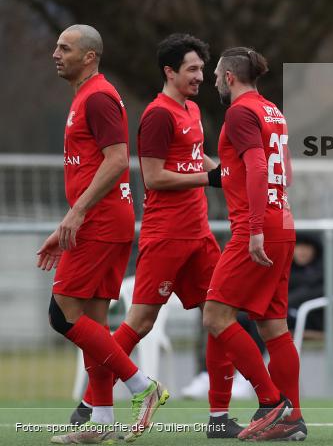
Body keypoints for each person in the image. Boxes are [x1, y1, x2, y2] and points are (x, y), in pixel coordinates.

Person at [68, 34, 243, 438]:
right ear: (169, 71)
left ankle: (219, 418)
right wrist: (211, 178)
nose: (200, 76)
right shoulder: (157, 115)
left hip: (198, 235)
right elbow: (154, 176)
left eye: (202, 68)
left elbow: (197, 154)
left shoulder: (193, 109)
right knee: (140, 322)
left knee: (219, 316)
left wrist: (230, 173)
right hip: (166, 236)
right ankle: (93, 403)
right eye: (192, 69)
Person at [37, 24, 167, 444]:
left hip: (101, 223)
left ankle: (142, 387)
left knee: (63, 316)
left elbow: (117, 160)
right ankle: (100, 424)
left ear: (89, 57)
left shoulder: (98, 97)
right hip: (99, 221)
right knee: (93, 323)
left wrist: (75, 215)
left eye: (65, 48)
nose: (56, 53)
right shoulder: (85, 97)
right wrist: (69, 220)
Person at [202, 47, 303, 441]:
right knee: (274, 326)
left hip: (256, 227)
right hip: (283, 222)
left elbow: (259, 165)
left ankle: (272, 403)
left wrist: (256, 227)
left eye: (215, 74)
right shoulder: (272, 111)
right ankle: (292, 420)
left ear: (229, 77)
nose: (212, 80)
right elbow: (286, 172)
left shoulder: (240, 112)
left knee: (215, 316)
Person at [287, 232, 333, 335]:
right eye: (298, 246)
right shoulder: (287, 267)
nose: (302, 251)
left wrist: (301, 296)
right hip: (288, 314)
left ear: (315, 249)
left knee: (268, 320)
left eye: (307, 247)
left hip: (312, 318)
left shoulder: (326, 264)